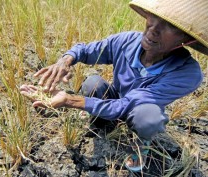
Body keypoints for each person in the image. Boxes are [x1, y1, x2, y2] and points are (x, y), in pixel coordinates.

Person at [20, 0, 208, 172]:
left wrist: (69, 100)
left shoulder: (187, 73)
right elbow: (86, 50)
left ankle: (142, 145)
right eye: (154, 18)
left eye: (169, 26)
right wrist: (65, 60)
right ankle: (101, 126)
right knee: (93, 83)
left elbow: (129, 104)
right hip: (116, 97)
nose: (153, 29)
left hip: (139, 109)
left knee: (148, 118)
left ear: (187, 39)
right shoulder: (127, 40)